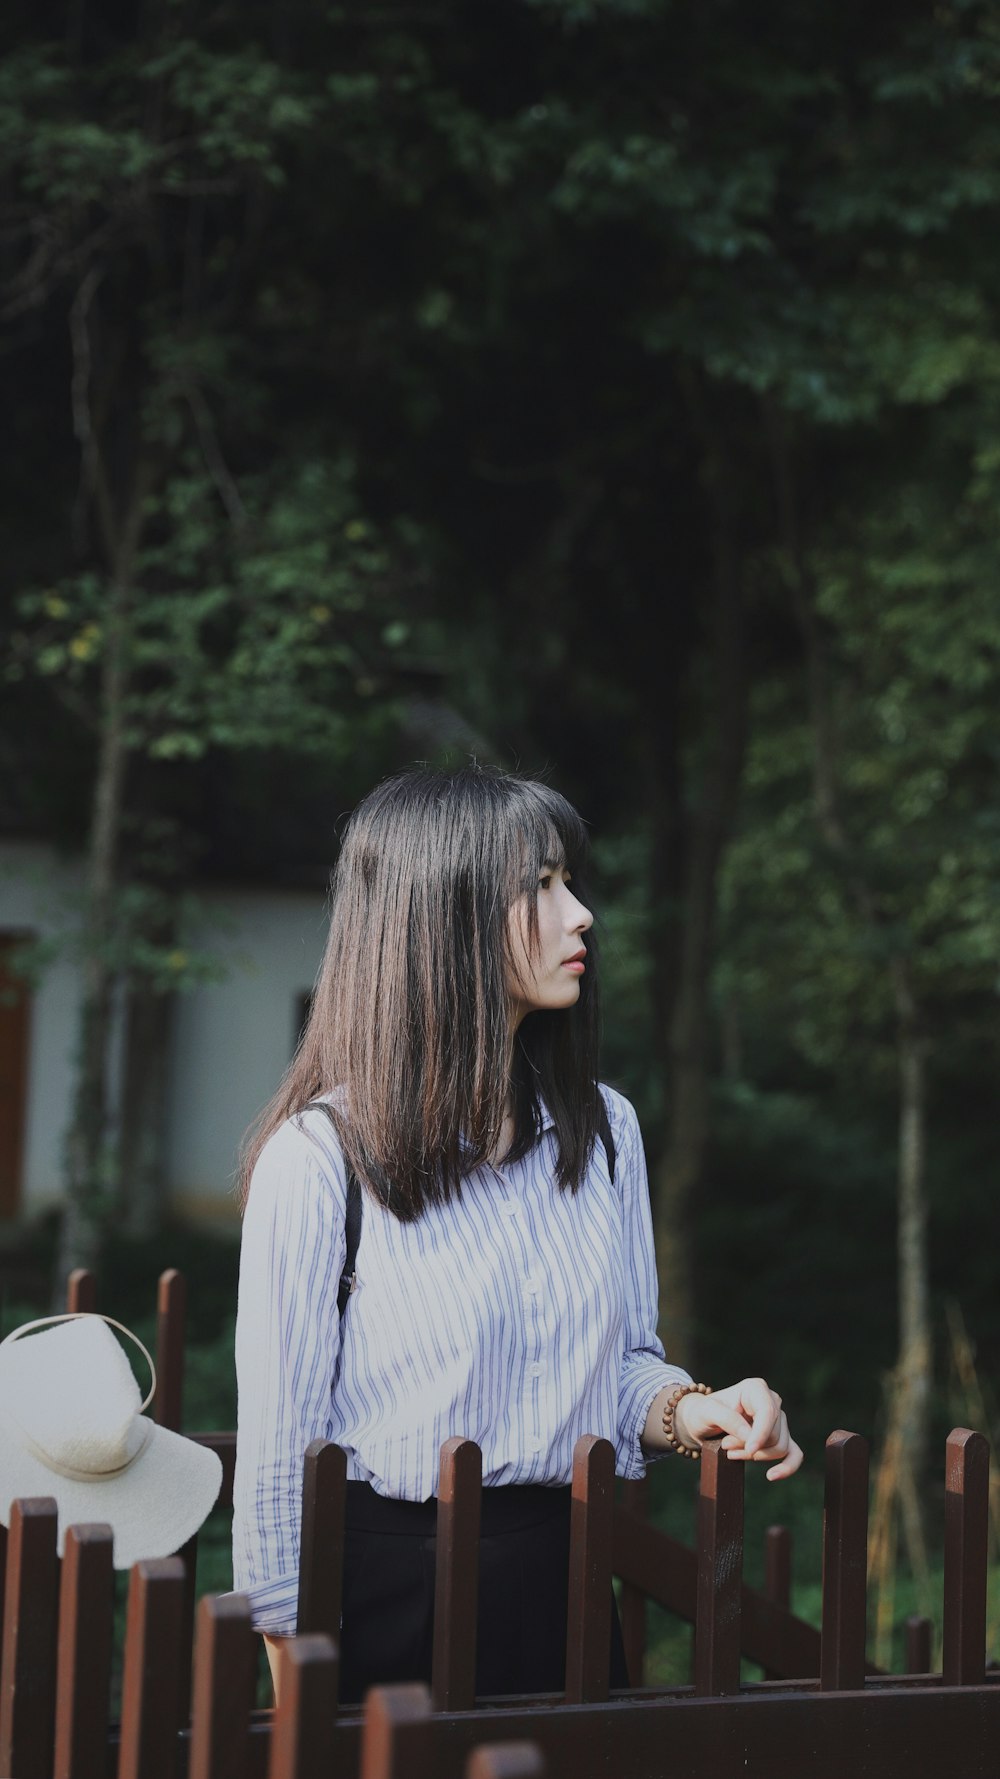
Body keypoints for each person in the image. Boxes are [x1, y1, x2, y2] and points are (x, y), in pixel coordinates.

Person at [231, 763, 802, 1704]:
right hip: (386, 1601)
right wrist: (298, 1688)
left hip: (566, 1583)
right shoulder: (319, 1158)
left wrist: (694, 1409)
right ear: (440, 917)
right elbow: (280, 1460)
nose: (581, 915)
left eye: (569, 881)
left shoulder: (606, 1130)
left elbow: (617, 1369)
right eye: (539, 886)